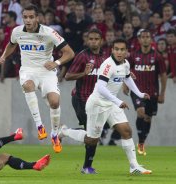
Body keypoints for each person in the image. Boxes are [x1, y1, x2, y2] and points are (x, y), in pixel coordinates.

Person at [59, 38, 152, 174]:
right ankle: (65, 132)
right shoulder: (107, 65)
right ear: (112, 50)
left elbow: (127, 77)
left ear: (126, 51)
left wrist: (139, 93)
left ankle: (134, 166)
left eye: (122, 50)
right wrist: (118, 101)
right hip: (98, 104)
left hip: (111, 103)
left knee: (126, 131)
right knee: (92, 140)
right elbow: (101, 88)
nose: (119, 52)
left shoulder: (125, 63)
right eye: (117, 49)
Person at [0, 4, 75, 153]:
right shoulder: (17, 31)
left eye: (31, 17)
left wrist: (56, 62)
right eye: (25, 17)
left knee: (55, 102)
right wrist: (3, 57)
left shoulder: (49, 33)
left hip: (46, 72)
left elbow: (69, 53)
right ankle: (40, 126)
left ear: (37, 18)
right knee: (28, 86)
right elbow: (12, 45)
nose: (28, 20)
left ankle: (54, 135)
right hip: (28, 70)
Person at [64, 29, 109, 174]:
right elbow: (68, 76)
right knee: (91, 135)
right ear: (87, 40)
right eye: (91, 39)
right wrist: (84, 73)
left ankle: (65, 131)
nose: (94, 41)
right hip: (81, 99)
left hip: (97, 101)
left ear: (101, 41)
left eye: (96, 39)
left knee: (94, 135)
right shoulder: (82, 56)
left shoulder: (105, 58)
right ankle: (86, 167)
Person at [126, 29, 167, 155]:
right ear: (139, 39)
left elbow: (163, 75)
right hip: (137, 91)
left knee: (148, 118)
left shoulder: (157, 57)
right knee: (141, 112)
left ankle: (142, 141)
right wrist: (125, 84)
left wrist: (162, 94)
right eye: (142, 37)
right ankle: (140, 141)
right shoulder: (133, 55)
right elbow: (125, 69)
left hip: (152, 93)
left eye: (147, 36)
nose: (145, 39)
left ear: (151, 39)